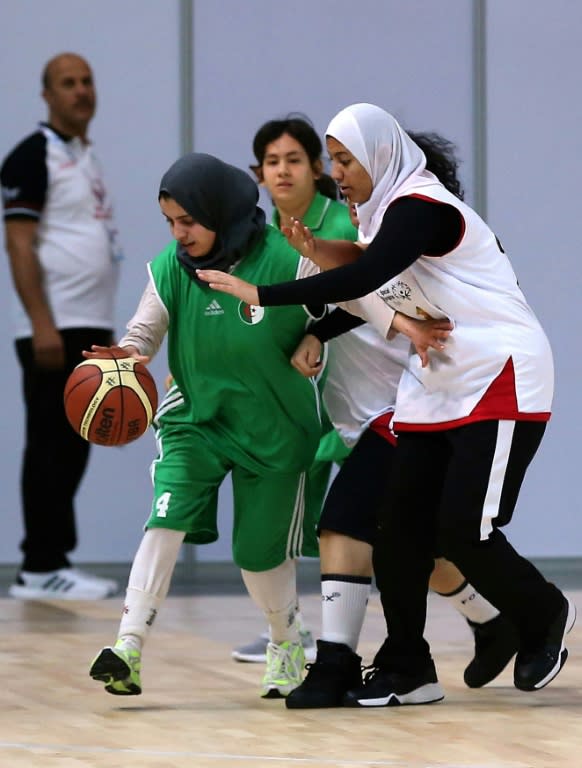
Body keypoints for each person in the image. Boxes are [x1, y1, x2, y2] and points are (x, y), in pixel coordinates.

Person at [196, 103, 575, 704]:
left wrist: (262, 292)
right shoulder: (386, 215)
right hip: (435, 382)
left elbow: (363, 277)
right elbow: (368, 269)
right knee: (399, 529)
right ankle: (407, 664)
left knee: (463, 529)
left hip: (500, 375)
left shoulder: (423, 206)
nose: (337, 172)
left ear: (381, 155)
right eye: (336, 160)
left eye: (345, 160)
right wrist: (319, 247)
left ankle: (544, 613)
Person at [284, 133, 518, 708]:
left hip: (418, 401)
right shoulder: (370, 227)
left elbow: (365, 290)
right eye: (272, 162)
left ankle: (338, 660)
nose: (328, 170)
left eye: (337, 161)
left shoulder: (412, 226)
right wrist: (317, 328)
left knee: (345, 523)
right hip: (389, 408)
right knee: (408, 543)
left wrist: (282, 304)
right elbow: (365, 296)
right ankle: (493, 623)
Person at [86, 152, 331, 699]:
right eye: (170, 222)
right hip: (195, 419)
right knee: (164, 518)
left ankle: (286, 640)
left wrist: (319, 336)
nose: (178, 234)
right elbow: (144, 331)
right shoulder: (171, 267)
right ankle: (127, 645)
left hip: (274, 428)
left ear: (219, 209)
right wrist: (127, 354)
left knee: (257, 554)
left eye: (187, 221)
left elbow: (345, 310)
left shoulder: (287, 259)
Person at [232, 115, 355, 664]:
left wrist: (314, 332)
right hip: (295, 395)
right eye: (272, 162)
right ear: (259, 173)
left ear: (315, 168)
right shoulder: (257, 236)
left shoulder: (341, 227)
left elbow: (350, 301)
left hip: (358, 390)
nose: (282, 170)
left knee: (357, 521)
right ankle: (293, 628)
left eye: (293, 159)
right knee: (297, 512)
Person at [0, 52, 122, 600]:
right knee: (49, 444)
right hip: (54, 329)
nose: (81, 91)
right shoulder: (32, 157)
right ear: (47, 95)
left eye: (87, 81)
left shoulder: (84, 155)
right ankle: (39, 565)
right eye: (68, 84)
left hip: (87, 325)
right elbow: (19, 243)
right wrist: (42, 323)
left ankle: (54, 560)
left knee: (76, 444)